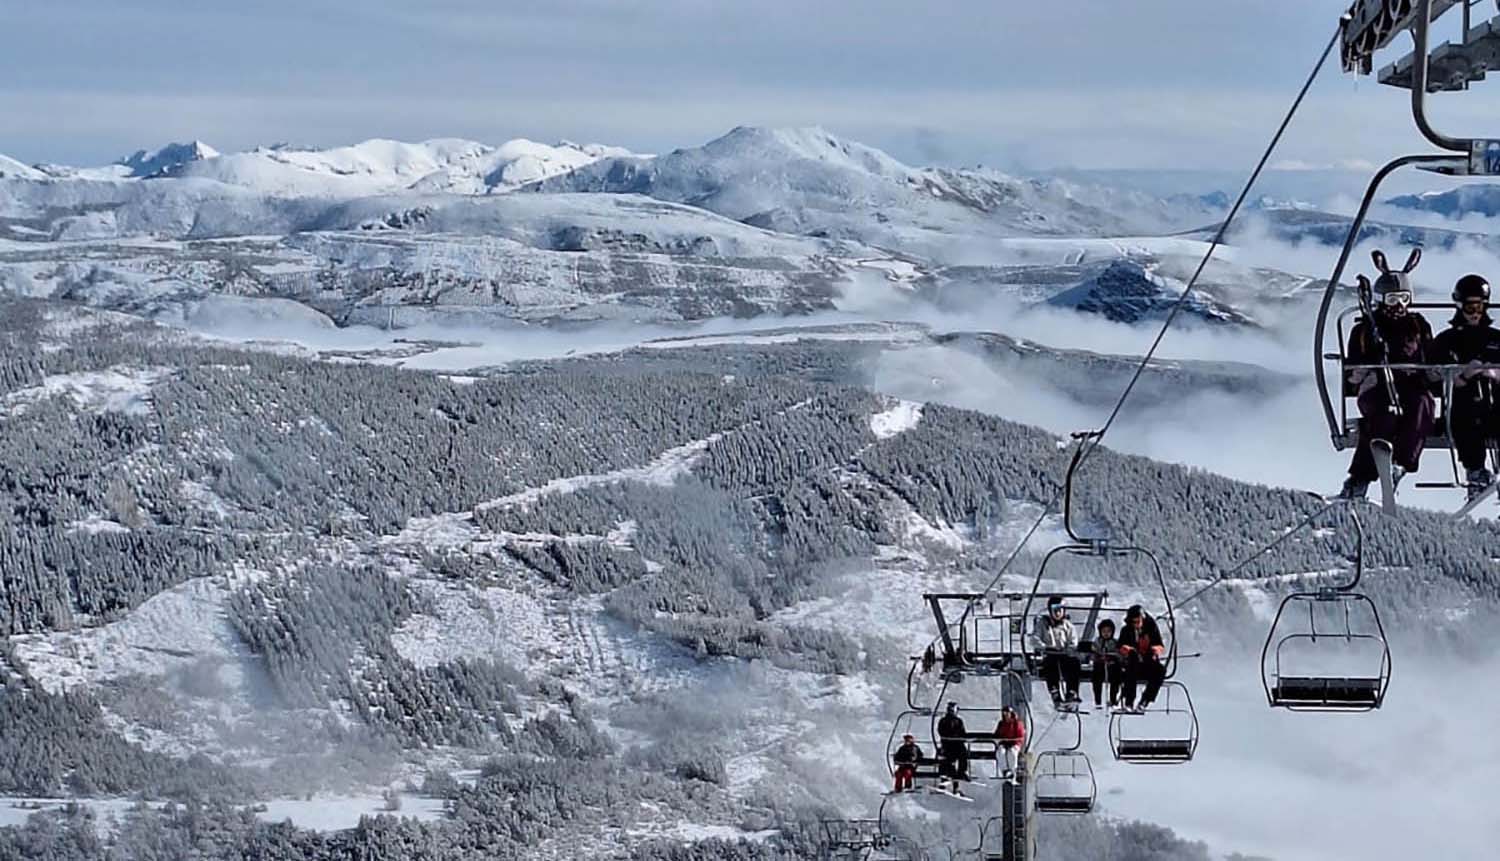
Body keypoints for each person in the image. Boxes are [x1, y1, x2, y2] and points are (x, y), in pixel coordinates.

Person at [1340, 252, 1436, 500]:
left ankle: (1401, 464)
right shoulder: (1364, 330)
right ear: (1382, 299)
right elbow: (1352, 370)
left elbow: (1430, 356)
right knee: (1385, 416)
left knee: (1423, 405)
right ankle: (1360, 479)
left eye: (1404, 298)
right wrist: (1364, 371)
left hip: (1410, 384)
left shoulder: (1418, 326)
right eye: (1393, 299)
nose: (1399, 305)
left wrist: (1430, 374)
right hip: (1376, 386)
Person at [1431, 274, 1500, 500]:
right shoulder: (1446, 340)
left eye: (1480, 306)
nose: (1475, 313)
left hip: (1494, 405)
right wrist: (1464, 374)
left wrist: (1492, 373)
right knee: (1466, 418)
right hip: (1463, 407)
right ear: (1460, 306)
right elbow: (1435, 377)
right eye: (1470, 307)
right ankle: (1476, 471)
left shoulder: (1496, 339)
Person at [1118, 605, 1166, 712]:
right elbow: (1120, 646)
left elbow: (1160, 645)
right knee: (1132, 665)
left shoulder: (1151, 628)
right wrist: (1127, 650)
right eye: (1133, 622)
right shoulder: (1126, 630)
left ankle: (1145, 700)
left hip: (1148, 663)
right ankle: (1129, 701)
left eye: (1138, 621)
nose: (1136, 624)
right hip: (1132, 664)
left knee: (1160, 670)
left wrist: (1154, 650)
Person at [1037, 595, 1082, 707]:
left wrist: (1069, 648)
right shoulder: (1043, 624)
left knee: (1074, 663)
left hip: (1064, 653)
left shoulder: (1068, 626)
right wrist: (1043, 646)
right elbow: (1034, 638)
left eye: (1060, 610)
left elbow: (1073, 641)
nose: (1057, 613)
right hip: (1050, 653)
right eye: (1055, 611)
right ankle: (1055, 691)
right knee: (1050, 666)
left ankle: (1072, 692)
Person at [1088, 618, 1122, 710]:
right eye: (1104, 631)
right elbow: (1092, 653)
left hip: (1111, 667)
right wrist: (1098, 656)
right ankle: (1098, 700)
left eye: (1108, 631)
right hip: (1100, 666)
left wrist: (1113, 657)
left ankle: (1113, 699)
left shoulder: (1115, 643)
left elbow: (1119, 654)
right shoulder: (1097, 642)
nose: (1106, 633)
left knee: (1116, 676)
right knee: (1096, 676)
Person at [936, 702, 969, 792]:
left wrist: (961, 738)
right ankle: (947, 780)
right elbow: (941, 731)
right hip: (948, 744)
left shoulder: (958, 721)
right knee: (949, 761)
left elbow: (962, 732)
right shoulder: (944, 721)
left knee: (963, 756)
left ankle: (961, 774)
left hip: (956, 744)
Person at [994, 705, 1026, 782]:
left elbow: (1020, 735)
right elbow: (997, 733)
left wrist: (1016, 742)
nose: (1006, 716)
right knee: (1001, 752)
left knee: (1012, 753)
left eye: (1007, 713)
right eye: (1004, 714)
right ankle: (1005, 770)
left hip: (1014, 743)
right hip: (1004, 742)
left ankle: (1013, 770)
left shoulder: (1017, 723)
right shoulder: (1001, 723)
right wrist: (1000, 740)